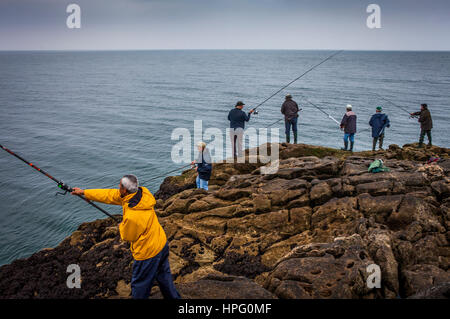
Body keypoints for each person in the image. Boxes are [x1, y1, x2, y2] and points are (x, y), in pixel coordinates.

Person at [71, 175, 180, 299]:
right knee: (164, 276)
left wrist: (122, 226)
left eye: (120, 186)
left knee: (140, 284)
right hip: (161, 242)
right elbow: (110, 195)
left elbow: (128, 236)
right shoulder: (142, 193)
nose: (118, 188)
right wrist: (85, 193)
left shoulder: (132, 216)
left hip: (148, 252)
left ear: (124, 190)